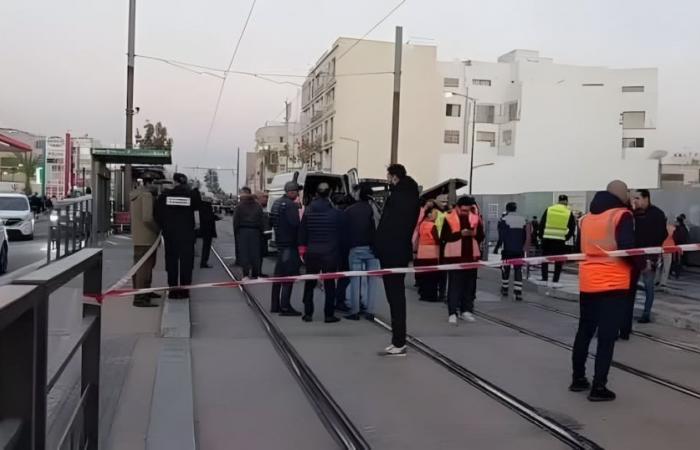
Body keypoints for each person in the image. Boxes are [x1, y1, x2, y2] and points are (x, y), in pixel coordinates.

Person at [570, 180, 635, 401]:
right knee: (606, 337)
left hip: (588, 282)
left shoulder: (586, 219)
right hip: (614, 283)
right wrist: (640, 264)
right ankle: (599, 387)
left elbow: (579, 248)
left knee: (584, 331)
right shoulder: (622, 215)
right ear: (619, 194)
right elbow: (627, 249)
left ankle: (578, 379)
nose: (629, 194)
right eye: (627, 191)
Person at [374, 164, 420, 356]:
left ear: (394, 177)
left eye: (388, 177)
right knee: (398, 296)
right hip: (402, 252)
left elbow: (386, 225)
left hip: (390, 252)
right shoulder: (413, 197)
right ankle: (398, 340)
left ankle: (398, 342)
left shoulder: (396, 198)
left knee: (394, 297)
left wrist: (377, 245)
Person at [298, 182, 342, 323]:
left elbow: (302, 232)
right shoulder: (335, 213)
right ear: (329, 194)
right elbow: (340, 234)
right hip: (330, 253)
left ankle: (308, 313)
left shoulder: (308, 211)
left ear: (316, 194)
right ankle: (328, 315)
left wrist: (303, 250)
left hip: (313, 252)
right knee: (330, 285)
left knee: (310, 283)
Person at [155, 173, 200, 299]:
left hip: (171, 235)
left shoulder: (165, 195)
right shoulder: (192, 195)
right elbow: (198, 210)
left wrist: (164, 227)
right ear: (185, 183)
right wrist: (196, 189)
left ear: (174, 182)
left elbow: (157, 214)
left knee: (172, 261)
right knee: (186, 263)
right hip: (187, 235)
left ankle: (173, 290)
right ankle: (185, 290)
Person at [441, 196, 485, 325]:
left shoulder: (476, 218)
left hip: (471, 256)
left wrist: (473, 235)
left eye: (469, 209)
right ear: (458, 207)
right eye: (464, 209)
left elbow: (481, 235)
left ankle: (466, 310)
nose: (467, 211)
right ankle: (452, 312)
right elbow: (444, 236)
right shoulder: (449, 217)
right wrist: (461, 233)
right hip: (454, 257)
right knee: (454, 285)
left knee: (469, 285)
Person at [627, 189, 667, 326]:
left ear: (646, 198)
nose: (635, 201)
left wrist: (652, 256)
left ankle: (646, 313)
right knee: (631, 286)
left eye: (637, 198)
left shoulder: (657, 214)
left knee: (649, 286)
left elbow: (662, 235)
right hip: (635, 256)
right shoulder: (634, 214)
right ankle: (627, 313)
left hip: (649, 256)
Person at [343, 184, 381, 320]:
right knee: (372, 281)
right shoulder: (374, 210)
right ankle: (370, 310)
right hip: (373, 250)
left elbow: (344, 230)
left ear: (359, 194)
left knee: (355, 280)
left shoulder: (349, 210)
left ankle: (355, 310)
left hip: (355, 249)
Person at [269, 181, 303, 316]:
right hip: (289, 244)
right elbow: (295, 224)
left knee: (278, 275)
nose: (298, 194)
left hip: (280, 242)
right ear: (292, 192)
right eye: (297, 191)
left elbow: (271, 221)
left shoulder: (276, 203)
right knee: (289, 275)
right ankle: (285, 306)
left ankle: (275, 305)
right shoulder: (290, 205)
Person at [129, 177, 160, 307]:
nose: (157, 186)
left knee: (140, 267)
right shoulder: (146, 195)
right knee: (145, 269)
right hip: (148, 237)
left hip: (138, 236)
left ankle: (143, 291)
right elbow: (147, 218)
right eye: (155, 183)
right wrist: (158, 229)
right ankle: (141, 298)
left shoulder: (136, 194)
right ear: (149, 183)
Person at [497, 202, 531, 301]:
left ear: (507, 209)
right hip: (519, 249)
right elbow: (526, 235)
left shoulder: (503, 220)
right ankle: (518, 292)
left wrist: (497, 248)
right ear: (516, 209)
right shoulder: (523, 220)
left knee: (505, 268)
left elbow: (501, 236)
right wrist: (524, 247)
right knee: (518, 269)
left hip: (507, 249)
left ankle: (505, 288)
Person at [539, 195, 576, 285]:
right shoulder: (568, 212)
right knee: (558, 261)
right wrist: (566, 237)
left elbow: (542, 224)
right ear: (566, 202)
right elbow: (572, 228)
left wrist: (541, 236)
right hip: (560, 240)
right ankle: (555, 280)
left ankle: (544, 278)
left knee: (545, 259)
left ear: (558, 201)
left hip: (547, 238)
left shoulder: (549, 209)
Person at [233, 187, 265, 278]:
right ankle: (255, 274)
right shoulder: (258, 206)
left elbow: (236, 221)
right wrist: (261, 232)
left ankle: (245, 274)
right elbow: (261, 220)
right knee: (255, 253)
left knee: (244, 253)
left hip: (243, 231)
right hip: (255, 232)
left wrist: (236, 232)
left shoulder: (239, 206)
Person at [414, 205, 441, 302]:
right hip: (431, 253)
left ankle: (423, 294)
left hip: (422, 253)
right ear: (429, 214)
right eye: (435, 214)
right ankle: (431, 296)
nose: (436, 216)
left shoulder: (422, 224)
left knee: (425, 275)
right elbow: (437, 240)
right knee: (432, 277)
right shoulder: (432, 226)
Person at [333, 193, 355, 313]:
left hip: (334, 249)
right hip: (344, 250)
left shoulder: (333, 214)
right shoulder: (346, 215)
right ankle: (339, 300)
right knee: (345, 276)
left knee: (334, 277)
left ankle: (336, 299)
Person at [198, 196, 221, 268]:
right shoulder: (207, 206)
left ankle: (203, 262)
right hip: (208, 230)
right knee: (206, 247)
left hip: (201, 228)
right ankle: (203, 262)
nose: (211, 200)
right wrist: (217, 217)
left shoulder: (200, 206)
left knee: (205, 246)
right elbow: (209, 217)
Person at [672, 214, 690, 279]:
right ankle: (677, 273)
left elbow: (675, 237)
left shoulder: (677, 229)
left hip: (676, 246)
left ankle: (676, 273)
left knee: (676, 260)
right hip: (682, 246)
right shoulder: (684, 228)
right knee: (678, 260)